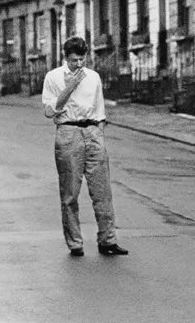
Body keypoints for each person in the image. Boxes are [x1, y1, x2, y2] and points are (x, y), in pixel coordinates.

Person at [41, 36, 128, 257]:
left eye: (81, 59)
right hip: (68, 132)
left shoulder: (94, 77)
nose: (79, 64)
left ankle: (107, 240)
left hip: (92, 131)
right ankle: (75, 243)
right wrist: (68, 89)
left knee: (102, 190)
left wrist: (98, 129)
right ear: (65, 58)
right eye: (73, 60)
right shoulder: (53, 78)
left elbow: (99, 108)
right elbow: (49, 111)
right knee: (70, 191)